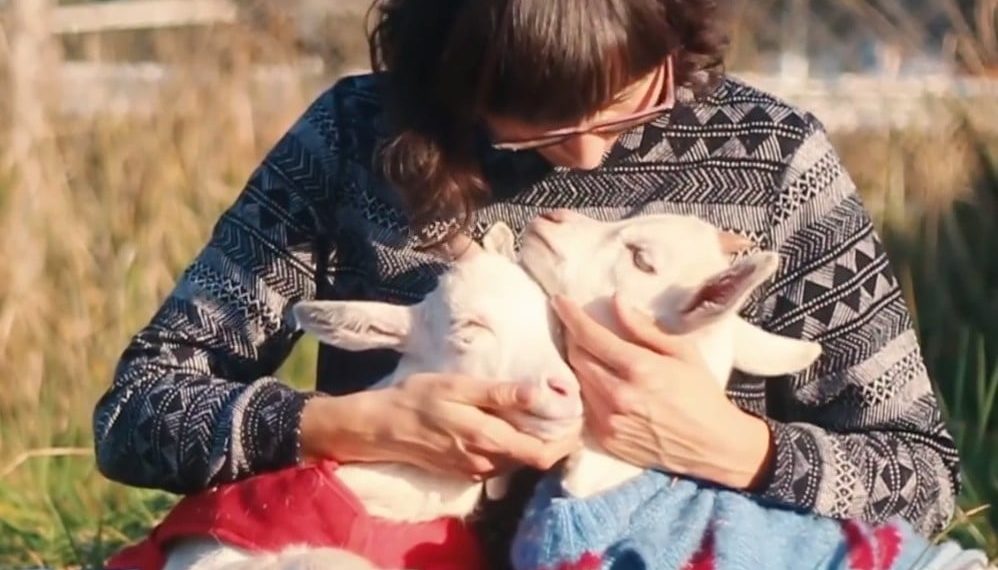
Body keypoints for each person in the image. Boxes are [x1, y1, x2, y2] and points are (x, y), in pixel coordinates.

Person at [93, 0, 960, 548]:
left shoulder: (773, 161)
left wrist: (730, 446)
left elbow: (920, 480)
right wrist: (357, 425)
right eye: (530, 129)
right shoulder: (355, 137)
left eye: (630, 100)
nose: (584, 155)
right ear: (451, 78)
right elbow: (137, 412)